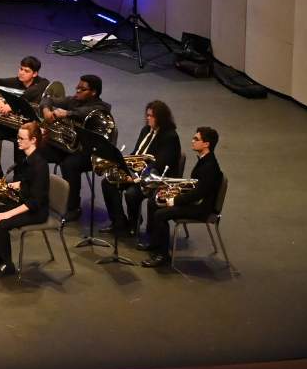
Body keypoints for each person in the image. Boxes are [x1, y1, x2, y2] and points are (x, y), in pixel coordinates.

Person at [0, 122, 51, 279]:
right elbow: (28, 182)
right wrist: (15, 185)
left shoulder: (40, 165)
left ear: (33, 140)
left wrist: (8, 214)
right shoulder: (27, 158)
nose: (18, 141)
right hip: (23, 202)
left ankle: (7, 265)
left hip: (36, 211)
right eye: (18, 138)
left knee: (1, 222)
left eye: (22, 139)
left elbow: (34, 202)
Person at [139, 127, 224, 268]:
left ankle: (163, 256)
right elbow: (194, 188)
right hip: (195, 202)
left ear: (206, 144)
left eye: (196, 139)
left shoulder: (210, 166)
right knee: (153, 201)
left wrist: (175, 200)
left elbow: (198, 194)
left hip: (201, 209)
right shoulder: (204, 159)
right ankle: (154, 242)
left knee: (161, 214)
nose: (192, 141)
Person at [103, 101, 181, 236]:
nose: (147, 118)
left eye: (151, 116)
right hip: (137, 172)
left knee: (131, 194)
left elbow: (159, 165)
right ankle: (119, 222)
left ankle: (134, 223)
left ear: (160, 118)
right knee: (107, 182)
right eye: (147, 115)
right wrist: (123, 165)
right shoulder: (146, 130)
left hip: (153, 178)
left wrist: (135, 179)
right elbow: (137, 152)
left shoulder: (170, 137)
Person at [41, 74, 111, 220]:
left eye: (82, 89)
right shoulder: (73, 100)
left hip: (89, 153)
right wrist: (46, 110)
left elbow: (87, 114)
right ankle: (35, 193)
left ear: (93, 92)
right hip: (70, 147)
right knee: (36, 150)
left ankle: (73, 206)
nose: (77, 90)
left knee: (69, 165)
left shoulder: (102, 108)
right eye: (78, 87)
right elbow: (47, 99)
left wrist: (67, 113)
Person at [0, 56, 50, 164]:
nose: (21, 73)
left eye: (26, 71)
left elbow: (31, 92)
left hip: (30, 128)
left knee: (21, 148)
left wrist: (12, 105)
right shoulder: (17, 81)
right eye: (21, 69)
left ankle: (19, 179)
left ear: (35, 74)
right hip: (13, 125)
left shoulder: (43, 83)